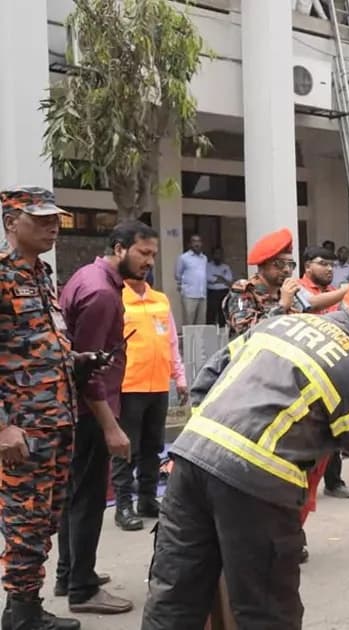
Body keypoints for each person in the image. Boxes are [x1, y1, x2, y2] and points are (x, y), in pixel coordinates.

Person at [141, 280, 349, 629]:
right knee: (267, 610)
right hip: (255, 487)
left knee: (175, 595)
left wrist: (203, 439)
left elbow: (210, 373)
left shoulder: (282, 322)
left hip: (190, 462)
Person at [58, 220, 160, 615]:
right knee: (88, 497)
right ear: (120, 248)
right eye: (143, 253)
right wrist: (111, 426)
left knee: (74, 493)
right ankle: (82, 588)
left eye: (152, 254)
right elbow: (88, 372)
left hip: (78, 409)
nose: (149, 261)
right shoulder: (102, 294)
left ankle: (69, 573)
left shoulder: (87, 276)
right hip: (90, 411)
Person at [0, 187, 85, 629]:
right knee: (24, 520)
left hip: (57, 419)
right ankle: (21, 613)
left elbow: (38, 344)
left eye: (55, 218)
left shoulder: (43, 274)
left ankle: (26, 605)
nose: (53, 225)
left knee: (45, 518)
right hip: (23, 430)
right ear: (12, 222)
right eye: (41, 219)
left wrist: (76, 362)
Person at [112, 274, 188, 532]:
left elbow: (171, 341)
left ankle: (147, 499)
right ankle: (123, 506)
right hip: (129, 384)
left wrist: (180, 376)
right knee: (126, 449)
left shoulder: (160, 300)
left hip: (158, 384)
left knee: (153, 447)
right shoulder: (117, 298)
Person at [296, 245, 349, 499]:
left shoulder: (334, 292)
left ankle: (334, 482)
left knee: (335, 426)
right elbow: (310, 305)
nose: (329, 269)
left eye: (332, 265)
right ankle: (298, 482)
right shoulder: (296, 288)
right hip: (303, 369)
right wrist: (348, 290)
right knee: (303, 429)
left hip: (332, 368)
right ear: (307, 266)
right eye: (323, 263)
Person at [225, 228, 302, 337]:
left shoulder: (287, 293)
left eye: (291, 265)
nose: (287, 270)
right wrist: (282, 306)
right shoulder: (245, 291)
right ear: (262, 266)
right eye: (279, 264)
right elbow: (245, 331)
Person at [174, 234, 207, 326]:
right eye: (194, 241)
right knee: (189, 323)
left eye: (199, 241)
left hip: (202, 295)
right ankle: (189, 341)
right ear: (190, 244)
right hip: (189, 295)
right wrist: (183, 286)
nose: (197, 244)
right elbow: (177, 274)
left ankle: (198, 341)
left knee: (201, 323)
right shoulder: (184, 258)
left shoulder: (204, 258)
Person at [204, 247, 233, 328]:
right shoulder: (208, 266)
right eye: (216, 254)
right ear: (213, 255)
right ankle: (210, 334)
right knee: (211, 315)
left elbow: (229, 279)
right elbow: (208, 278)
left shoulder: (226, 267)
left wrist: (218, 279)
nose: (218, 256)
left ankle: (223, 334)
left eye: (220, 254)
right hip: (212, 292)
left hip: (223, 292)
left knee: (223, 314)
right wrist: (222, 279)